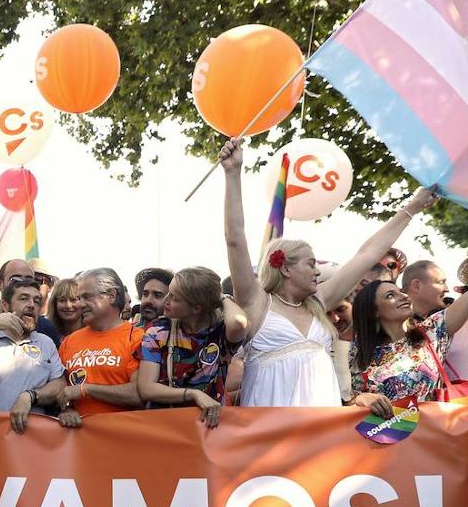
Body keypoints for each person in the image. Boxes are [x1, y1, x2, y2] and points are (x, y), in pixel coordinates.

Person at [220, 138, 438, 407]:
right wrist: (232, 173)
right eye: (310, 264)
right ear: (285, 268)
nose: (317, 271)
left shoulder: (319, 303)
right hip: (269, 427)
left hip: (322, 427)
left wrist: (411, 209)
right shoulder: (256, 302)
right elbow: (235, 239)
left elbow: (366, 254)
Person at [0, 277, 78, 433]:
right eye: (23, 299)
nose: (31, 305)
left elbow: (59, 385)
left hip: (31, 443)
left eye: (36, 301)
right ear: (5, 306)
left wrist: (30, 396)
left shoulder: (45, 342)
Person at [135, 267, 247, 427]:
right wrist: (193, 394)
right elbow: (146, 388)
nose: (166, 301)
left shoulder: (220, 332)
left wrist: (221, 297)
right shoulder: (159, 330)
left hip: (209, 427)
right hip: (167, 427)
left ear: (196, 308)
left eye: (174, 297)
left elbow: (238, 322)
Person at [349, 280, 468, 415]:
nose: (404, 296)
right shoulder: (359, 351)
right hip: (387, 434)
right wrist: (360, 399)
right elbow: (345, 401)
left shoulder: (430, 332)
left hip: (434, 431)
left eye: (401, 292)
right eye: (390, 295)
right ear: (374, 311)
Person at [55, 268, 144, 416]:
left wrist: (86, 389)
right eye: (79, 298)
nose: (80, 304)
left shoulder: (137, 338)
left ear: (111, 295)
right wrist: (66, 410)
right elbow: (60, 389)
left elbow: (139, 394)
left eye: (87, 297)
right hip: (77, 436)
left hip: (122, 435)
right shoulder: (70, 341)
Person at [0, 259, 60, 344]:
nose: (23, 285)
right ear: (0, 283)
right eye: (15, 280)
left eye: (29, 280)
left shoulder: (46, 328)